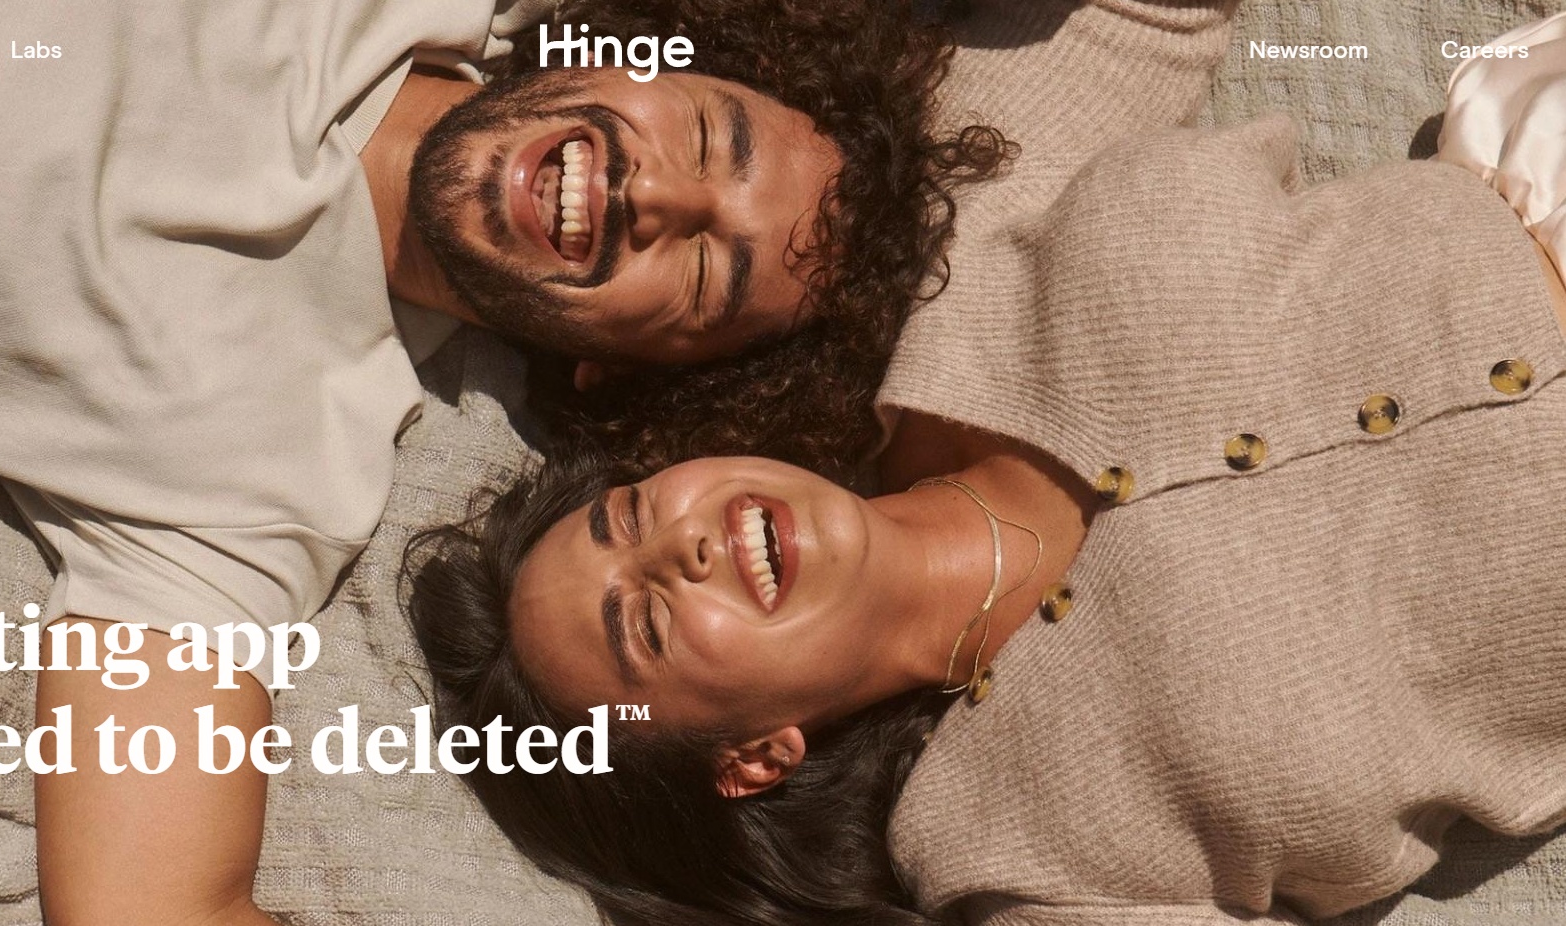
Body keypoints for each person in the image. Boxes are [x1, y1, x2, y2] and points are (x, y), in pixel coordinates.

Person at [0, 0, 1006, 923]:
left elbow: (148, 905)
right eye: (707, 134)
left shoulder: (256, 470)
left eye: (702, 268)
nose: (655, 192)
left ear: (626, 373)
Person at [407, 12, 1566, 926]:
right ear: (751, 757)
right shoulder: (1016, 849)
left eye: (630, 517)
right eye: (648, 622)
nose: (685, 543)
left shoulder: (942, 258)